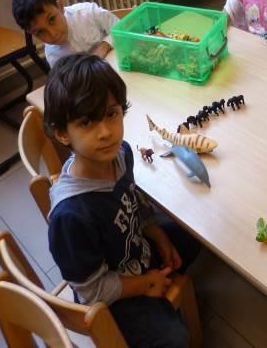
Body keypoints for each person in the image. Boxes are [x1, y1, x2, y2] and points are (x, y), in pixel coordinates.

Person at [44, 53, 200, 348]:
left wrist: (156, 233)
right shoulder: (70, 217)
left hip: (136, 249)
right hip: (112, 294)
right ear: (63, 133)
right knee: (175, 340)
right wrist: (145, 283)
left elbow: (134, 201)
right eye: (86, 122)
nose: (105, 132)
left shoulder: (121, 153)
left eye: (111, 114)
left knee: (196, 234)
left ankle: (162, 280)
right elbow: (92, 291)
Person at [12, 0, 119, 67]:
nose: (53, 34)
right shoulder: (53, 57)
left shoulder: (87, 12)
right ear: (31, 33)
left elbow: (122, 28)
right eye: (40, 32)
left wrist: (105, 45)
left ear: (60, 6)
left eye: (52, 19)